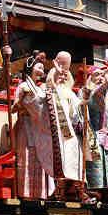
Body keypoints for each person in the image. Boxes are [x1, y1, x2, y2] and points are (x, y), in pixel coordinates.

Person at [12, 52, 54, 199]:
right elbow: (13, 108)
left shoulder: (43, 88)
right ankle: (25, 193)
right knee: (26, 157)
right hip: (26, 125)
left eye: (43, 68)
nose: (41, 71)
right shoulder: (23, 86)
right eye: (39, 67)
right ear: (30, 68)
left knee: (40, 157)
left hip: (40, 127)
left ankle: (40, 193)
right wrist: (21, 103)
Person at [46, 57, 85, 201]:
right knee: (59, 159)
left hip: (69, 131)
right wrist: (57, 72)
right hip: (54, 130)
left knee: (72, 158)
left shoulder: (70, 93)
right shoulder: (50, 90)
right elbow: (49, 91)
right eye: (59, 75)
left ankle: (73, 189)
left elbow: (78, 108)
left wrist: (86, 96)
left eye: (65, 75)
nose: (62, 77)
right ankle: (58, 190)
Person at [80, 66, 108, 204]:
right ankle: (94, 192)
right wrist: (107, 82)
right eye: (97, 75)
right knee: (96, 165)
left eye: (102, 75)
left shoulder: (106, 95)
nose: (101, 78)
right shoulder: (87, 91)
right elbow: (94, 97)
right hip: (93, 134)